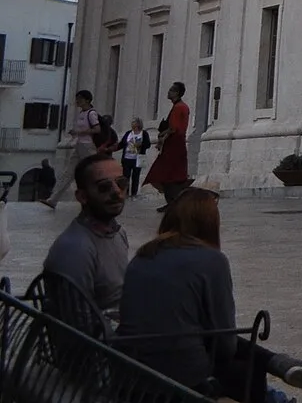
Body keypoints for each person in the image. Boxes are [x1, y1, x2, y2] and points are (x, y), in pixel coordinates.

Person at [117, 186, 302, 399]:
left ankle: (283, 367)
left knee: (211, 337)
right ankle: (280, 368)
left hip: (132, 368)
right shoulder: (211, 260)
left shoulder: (142, 257)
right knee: (247, 370)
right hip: (181, 375)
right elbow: (225, 343)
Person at [41, 153, 131, 329]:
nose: (116, 192)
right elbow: (80, 327)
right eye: (104, 187)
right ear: (82, 197)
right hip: (102, 348)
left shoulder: (118, 233)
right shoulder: (75, 249)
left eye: (121, 183)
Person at [143, 80, 191, 199]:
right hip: (177, 143)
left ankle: (173, 199)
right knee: (172, 174)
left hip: (174, 144)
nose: (168, 92)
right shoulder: (181, 107)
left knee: (165, 174)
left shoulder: (179, 107)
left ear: (177, 93)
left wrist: (161, 136)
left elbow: (173, 128)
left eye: (171, 90)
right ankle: (173, 198)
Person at [120, 117, 152, 197]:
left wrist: (141, 145)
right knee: (126, 176)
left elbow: (148, 144)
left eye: (134, 123)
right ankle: (125, 193)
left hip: (138, 158)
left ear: (138, 124)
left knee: (136, 176)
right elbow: (122, 143)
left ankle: (134, 193)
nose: (132, 124)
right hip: (127, 157)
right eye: (132, 123)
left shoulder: (144, 133)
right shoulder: (128, 133)